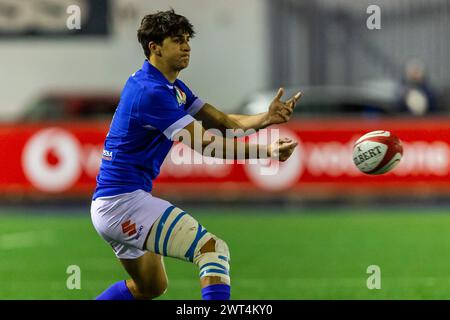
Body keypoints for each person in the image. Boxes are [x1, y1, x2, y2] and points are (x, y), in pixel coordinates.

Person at [91, 9, 301, 300]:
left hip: (114, 203)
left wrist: (265, 118)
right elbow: (207, 145)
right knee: (212, 250)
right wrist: (265, 151)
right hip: (123, 203)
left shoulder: (170, 86)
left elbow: (221, 122)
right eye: (178, 40)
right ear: (155, 47)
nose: (187, 46)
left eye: (188, 39)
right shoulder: (151, 92)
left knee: (151, 287)